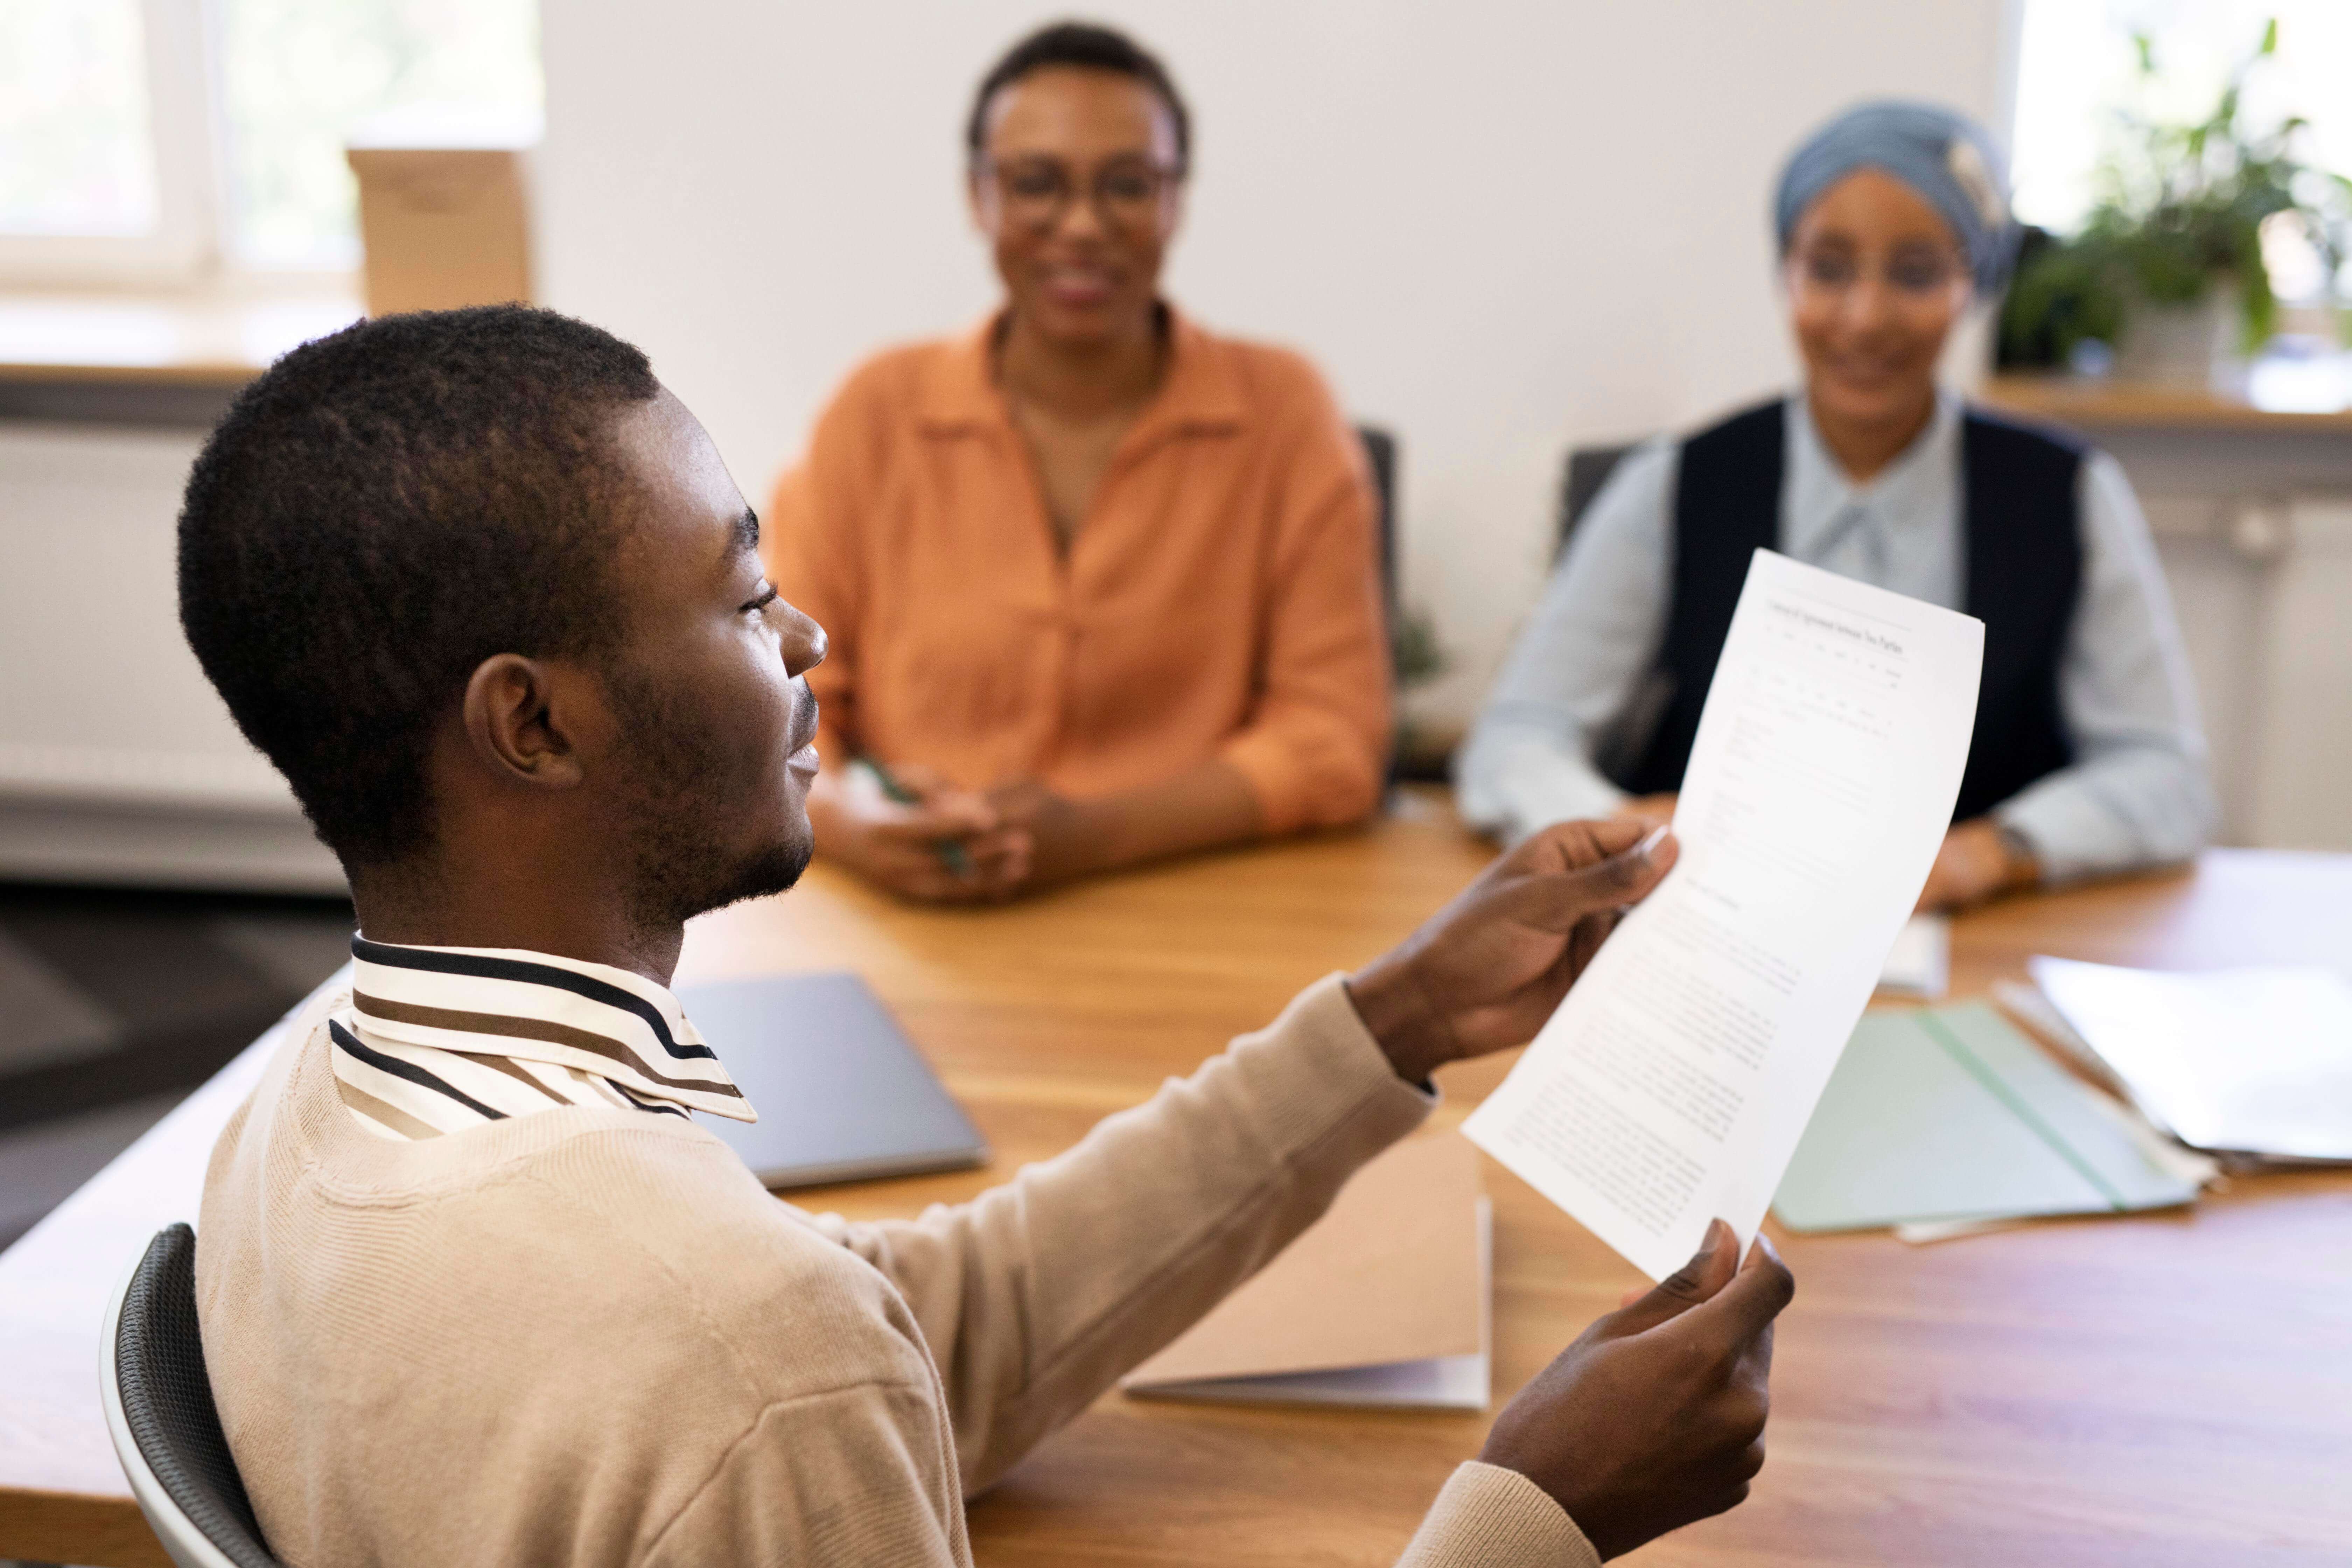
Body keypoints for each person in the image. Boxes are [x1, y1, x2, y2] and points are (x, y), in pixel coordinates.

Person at [178, 306, 1790, 1567]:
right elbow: (800, 1380)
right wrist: (1538, 1509)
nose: (808, 638)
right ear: (529, 723)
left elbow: (908, 1350)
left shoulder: (301, 1114)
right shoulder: (734, 1357)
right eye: (745, 603)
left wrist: (1393, 1021)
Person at [1458, 101, 2213, 910]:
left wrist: (1988, 855)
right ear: (1786, 271)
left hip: (1966, 947)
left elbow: (2168, 778)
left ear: (1975, 282)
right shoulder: (1677, 482)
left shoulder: (2067, 494)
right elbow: (1512, 745)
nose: (1866, 316)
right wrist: (1620, 834)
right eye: (1829, 268)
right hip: (1703, 943)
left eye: (1918, 273)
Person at [769, 22, 1392, 903]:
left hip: (1200, 903)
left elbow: (1333, 738)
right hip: (911, 916)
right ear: (979, 195)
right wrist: (852, 825)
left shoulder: (1284, 411)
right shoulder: (875, 412)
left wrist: (1096, 835)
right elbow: (782, 704)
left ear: (1176, 199)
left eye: (1128, 186)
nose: (1084, 225)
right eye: (1036, 184)